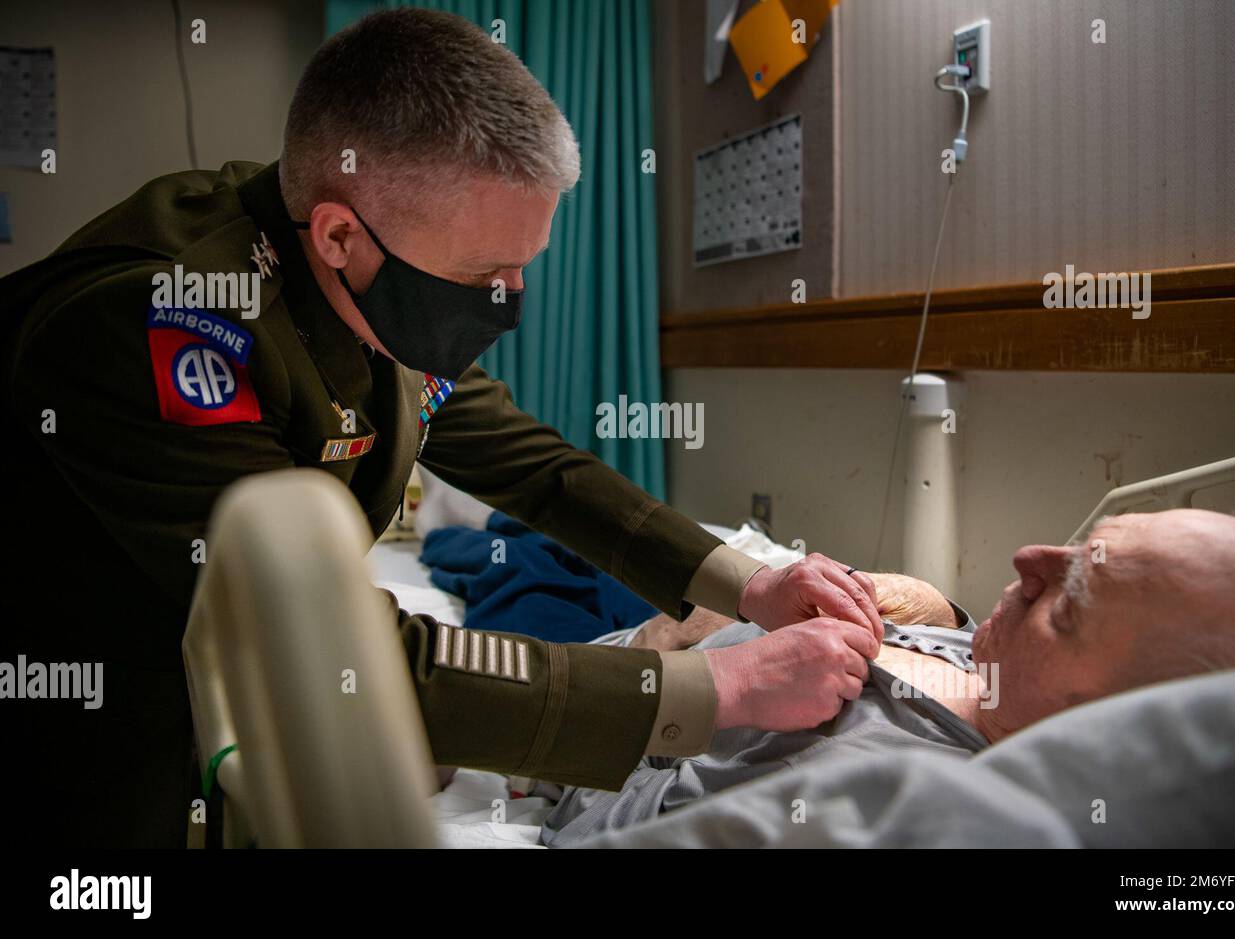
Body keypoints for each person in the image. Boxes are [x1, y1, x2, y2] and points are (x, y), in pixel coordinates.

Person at [0, 9, 882, 847]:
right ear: (341, 233)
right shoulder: (166, 319)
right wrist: (716, 686)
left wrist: (748, 583)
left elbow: (535, 469)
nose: (510, 305)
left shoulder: (378, 290)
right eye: (485, 274)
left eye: (524, 267)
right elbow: (318, 646)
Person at [541, 509, 1235, 844]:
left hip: (607, 671)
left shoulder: (863, 780)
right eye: (1079, 545)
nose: (1028, 559)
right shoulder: (998, 661)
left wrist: (690, 671)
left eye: (1068, 604)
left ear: (1106, 721)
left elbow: (590, 822)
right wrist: (931, 606)